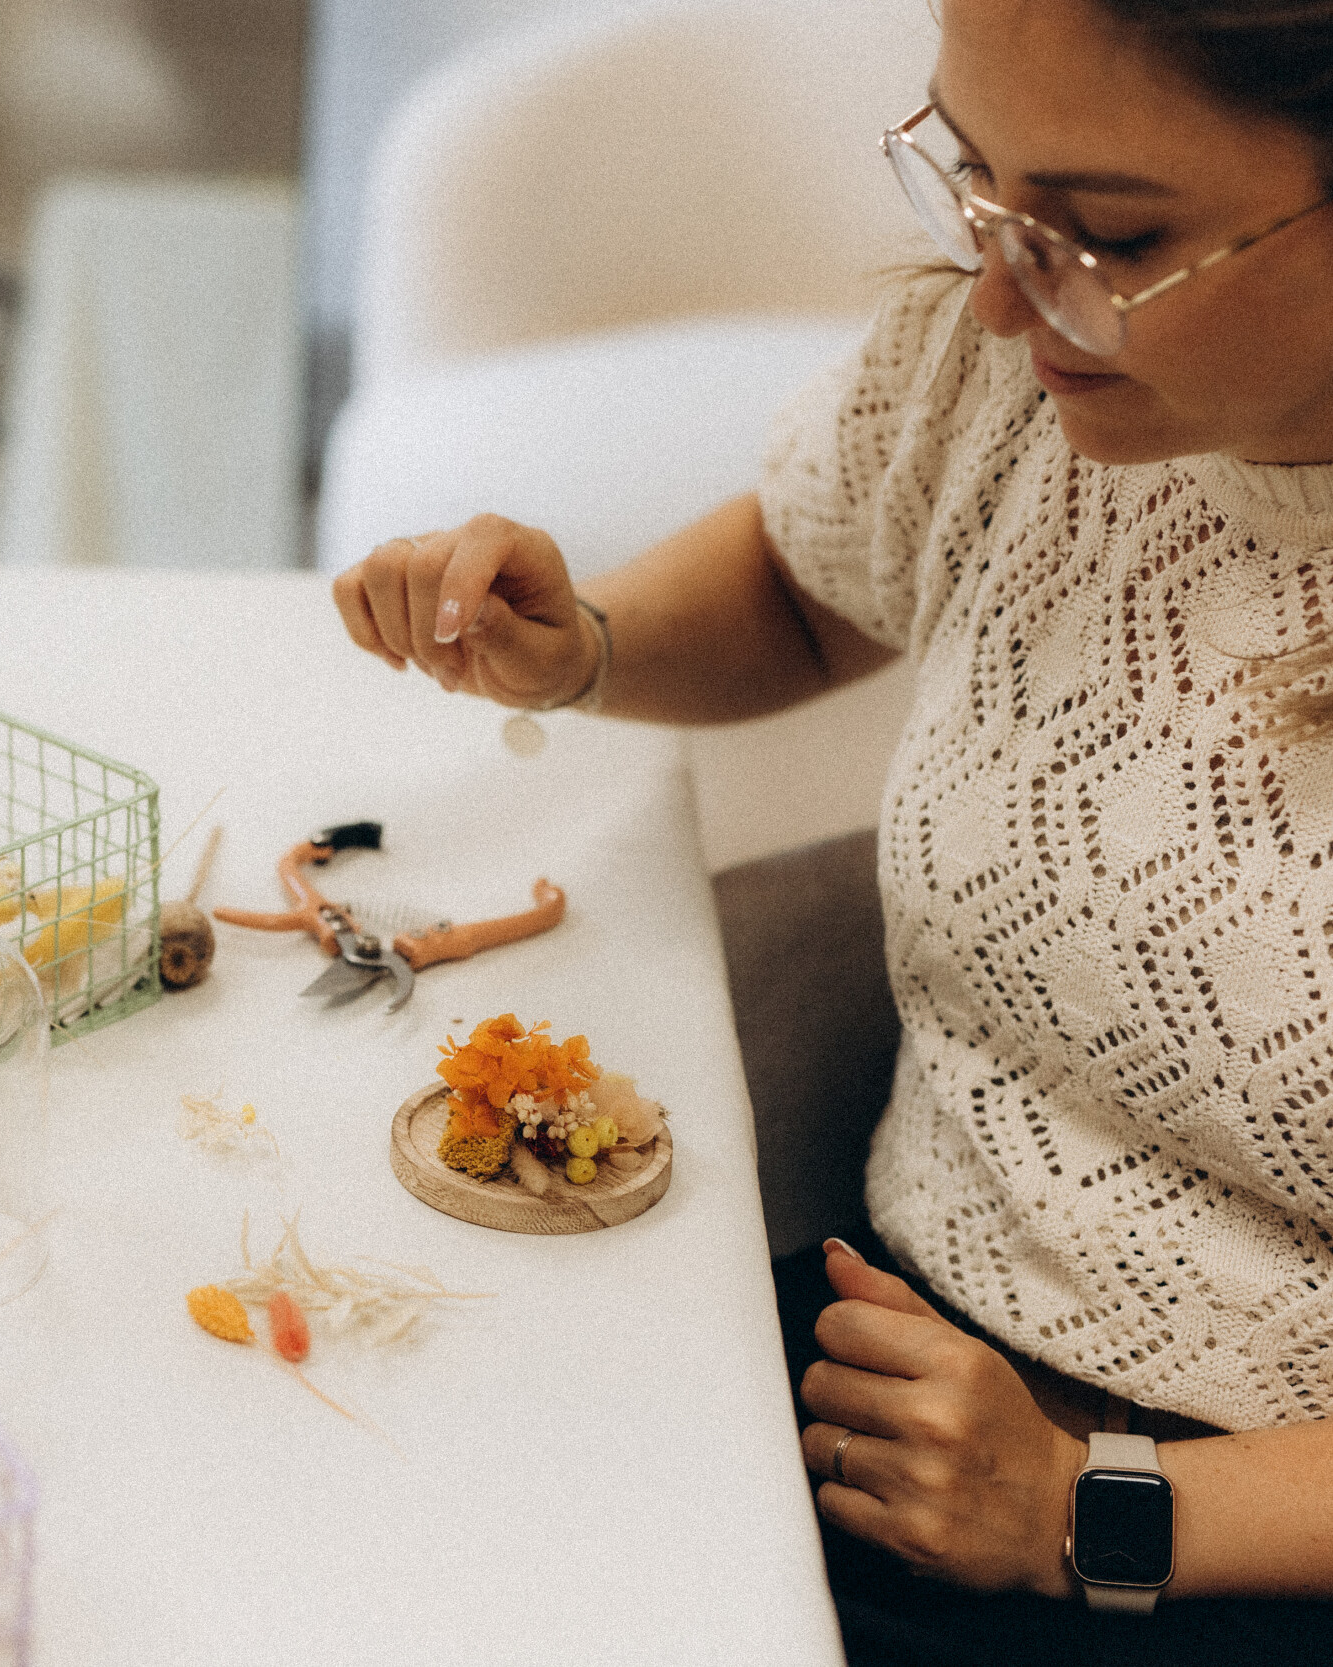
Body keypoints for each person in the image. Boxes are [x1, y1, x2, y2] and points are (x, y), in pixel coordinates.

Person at [332, 0, 1333, 1659]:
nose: (1001, 298)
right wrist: (579, 641)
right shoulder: (1012, 372)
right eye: (973, 177)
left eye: (1108, 232)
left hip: (1217, 1545)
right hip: (870, 1364)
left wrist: (1092, 1505)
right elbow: (806, 588)